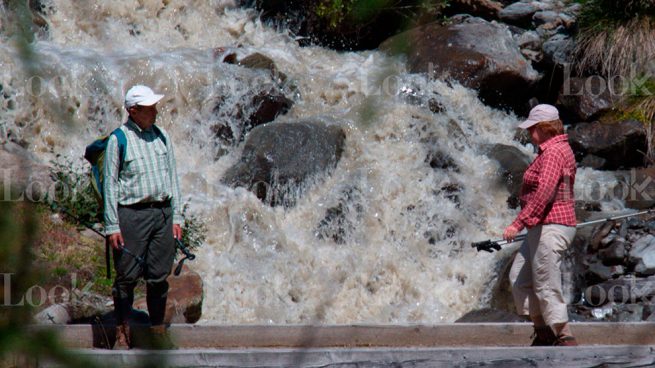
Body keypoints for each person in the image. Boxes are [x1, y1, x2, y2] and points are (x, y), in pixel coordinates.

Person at [104, 85, 183, 349]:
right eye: (150, 108)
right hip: (131, 215)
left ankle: (157, 330)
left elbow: (173, 179)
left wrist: (177, 217)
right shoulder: (119, 139)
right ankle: (122, 332)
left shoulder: (162, 137)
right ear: (133, 111)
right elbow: (110, 185)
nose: (155, 111)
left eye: (154, 107)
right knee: (126, 276)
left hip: (162, 214)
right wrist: (112, 225)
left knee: (159, 276)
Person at [503, 104, 578, 347]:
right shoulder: (549, 151)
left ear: (544, 128)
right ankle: (544, 333)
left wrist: (518, 223)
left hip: (553, 224)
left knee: (546, 281)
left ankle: (565, 337)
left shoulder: (554, 153)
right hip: (541, 225)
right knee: (519, 278)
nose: (529, 134)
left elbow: (544, 192)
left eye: (532, 129)